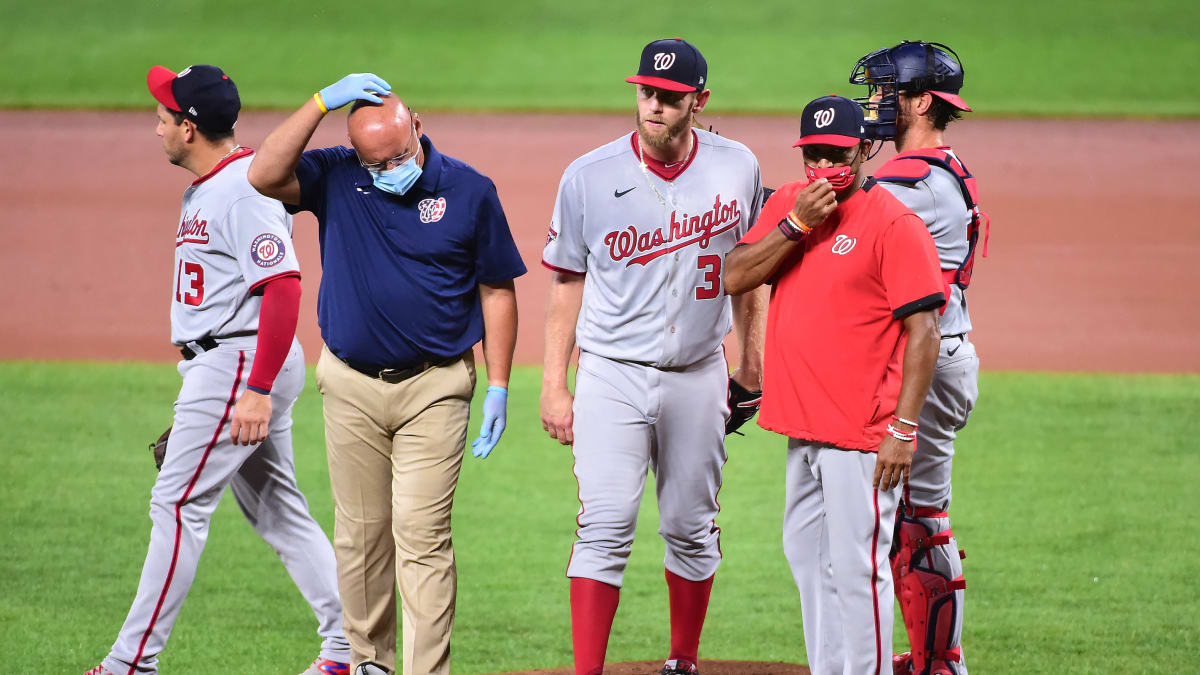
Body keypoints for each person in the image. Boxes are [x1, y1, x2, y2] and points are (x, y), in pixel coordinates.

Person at [247, 74, 525, 675]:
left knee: (421, 536)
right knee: (362, 536)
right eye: (375, 163)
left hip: (435, 385)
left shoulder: (471, 190)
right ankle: (370, 662)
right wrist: (321, 100)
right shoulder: (336, 176)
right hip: (349, 383)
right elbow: (263, 174)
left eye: (398, 156)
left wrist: (499, 384)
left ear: (418, 127)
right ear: (356, 154)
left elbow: (497, 290)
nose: (389, 170)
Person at [85, 64, 350, 675]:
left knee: (177, 505)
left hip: (240, 358)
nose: (156, 127)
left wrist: (254, 390)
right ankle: (348, 648)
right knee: (277, 508)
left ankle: (131, 663)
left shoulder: (241, 190)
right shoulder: (217, 184)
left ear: (190, 128)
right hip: (231, 358)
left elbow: (282, 285)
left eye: (164, 117)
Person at [540, 38, 768, 675]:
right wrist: (554, 384)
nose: (655, 106)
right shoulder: (588, 175)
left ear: (699, 101)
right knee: (605, 525)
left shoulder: (738, 166)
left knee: (692, 526)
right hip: (611, 374)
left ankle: (683, 660)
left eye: (670, 97)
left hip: (699, 374)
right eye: (647, 93)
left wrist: (751, 366)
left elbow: (752, 274)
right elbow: (566, 283)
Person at [723, 95, 944, 675]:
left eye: (836, 154)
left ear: (865, 149)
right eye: (813, 155)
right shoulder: (792, 205)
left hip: (863, 435)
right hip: (803, 426)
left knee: (856, 568)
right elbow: (735, 275)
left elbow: (925, 332)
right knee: (806, 558)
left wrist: (903, 426)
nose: (823, 167)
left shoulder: (894, 224)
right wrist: (797, 226)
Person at [849, 40, 985, 675]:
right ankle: (929, 656)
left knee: (922, 521)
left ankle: (943, 664)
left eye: (885, 92)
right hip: (938, 355)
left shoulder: (915, 181)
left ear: (922, 101)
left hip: (929, 362)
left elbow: (839, 231)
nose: (873, 104)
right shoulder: (944, 167)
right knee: (909, 519)